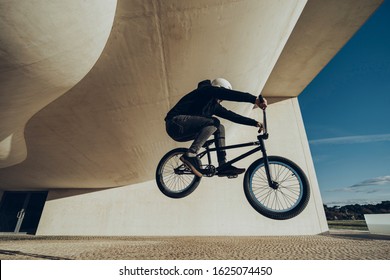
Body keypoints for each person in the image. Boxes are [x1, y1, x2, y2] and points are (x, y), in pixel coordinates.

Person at [165, 78, 267, 177]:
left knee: (220, 127)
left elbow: (232, 116)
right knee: (214, 122)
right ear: (218, 89)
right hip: (174, 122)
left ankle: (223, 164)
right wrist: (254, 99)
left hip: (183, 131)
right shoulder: (206, 90)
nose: (221, 100)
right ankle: (191, 154)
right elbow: (229, 95)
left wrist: (254, 123)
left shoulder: (213, 106)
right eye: (221, 97)